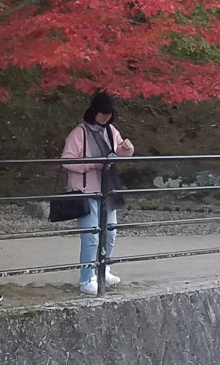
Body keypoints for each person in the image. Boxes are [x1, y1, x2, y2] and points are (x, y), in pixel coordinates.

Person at [61, 92, 134, 295]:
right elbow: (67, 160)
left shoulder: (111, 131)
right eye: (102, 113)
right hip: (86, 190)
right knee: (91, 236)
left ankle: (103, 268)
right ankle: (86, 279)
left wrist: (127, 150)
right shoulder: (79, 133)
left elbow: (117, 153)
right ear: (94, 111)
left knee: (110, 232)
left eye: (109, 114)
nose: (105, 117)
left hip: (107, 188)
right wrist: (94, 164)